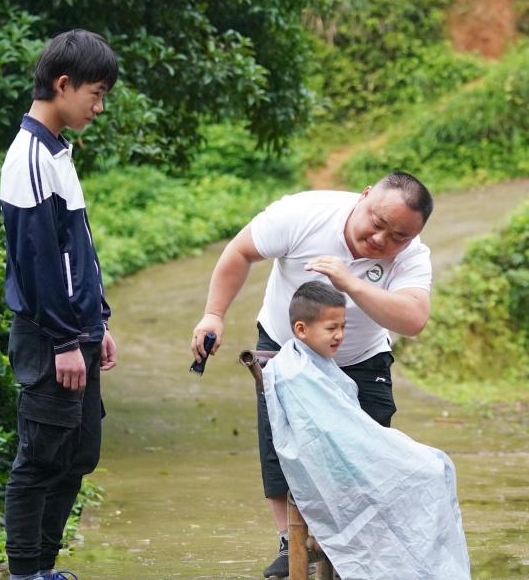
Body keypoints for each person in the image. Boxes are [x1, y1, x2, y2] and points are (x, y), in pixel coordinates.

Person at [190, 172, 434, 579]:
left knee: (367, 454)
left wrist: (351, 284)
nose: (381, 240)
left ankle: (351, 542)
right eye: (377, 223)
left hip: (361, 358)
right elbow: (240, 251)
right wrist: (213, 314)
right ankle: (290, 540)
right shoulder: (304, 213)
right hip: (287, 348)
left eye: (398, 236)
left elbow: (413, 319)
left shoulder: (412, 255)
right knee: (281, 444)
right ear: (365, 196)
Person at [0, 29, 119, 580]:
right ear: (63, 84)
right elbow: (38, 262)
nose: (99, 107)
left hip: (78, 333)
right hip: (52, 340)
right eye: (96, 94)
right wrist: (66, 340)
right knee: (41, 459)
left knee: (77, 456)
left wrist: (99, 323)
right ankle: (26, 573)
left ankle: (44, 568)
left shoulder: (57, 151)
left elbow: (78, 249)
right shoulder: (28, 156)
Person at [262, 282, 469, 580]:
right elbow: (323, 435)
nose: (339, 335)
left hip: (350, 455)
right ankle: (417, 569)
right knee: (429, 475)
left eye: (343, 327)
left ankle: (419, 567)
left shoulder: (315, 363)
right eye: (332, 328)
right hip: (337, 466)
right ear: (301, 329)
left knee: (439, 466)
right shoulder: (295, 373)